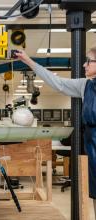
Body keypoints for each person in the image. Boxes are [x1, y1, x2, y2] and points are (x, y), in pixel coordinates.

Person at [15, 48, 96, 217]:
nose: (84, 64)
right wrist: (29, 61)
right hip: (92, 147)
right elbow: (56, 82)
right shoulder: (84, 85)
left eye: (88, 60)